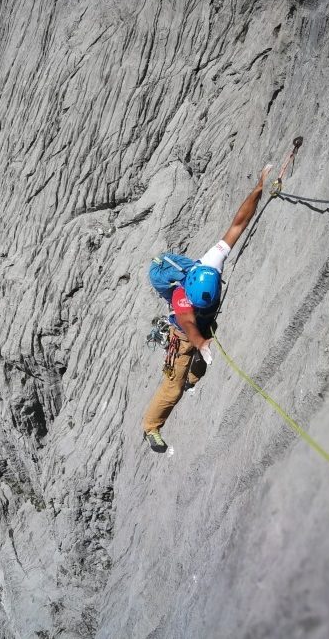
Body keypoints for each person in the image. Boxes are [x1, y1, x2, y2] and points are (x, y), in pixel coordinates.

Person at [142, 163, 274, 453]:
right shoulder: (181, 297)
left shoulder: (210, 263)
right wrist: (201, 342)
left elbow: (238, 223)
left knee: (199, 368)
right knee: (173, 386)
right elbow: (189, 325)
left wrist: (260, 187)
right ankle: (151, 427)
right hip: (184, 334)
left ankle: (192, 378)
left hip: (202, 327)